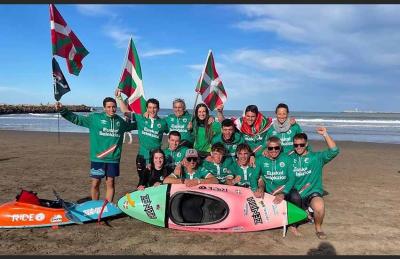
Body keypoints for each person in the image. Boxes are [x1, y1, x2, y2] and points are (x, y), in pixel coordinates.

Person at [55, 97, 136, 202]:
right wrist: (63, 110)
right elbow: (77, 119)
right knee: (95, 183)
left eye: (114, 107)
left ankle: (107, 206)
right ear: (104, 108)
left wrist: (145, 119)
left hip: (113, 159)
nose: (112, 109)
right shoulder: (95, 118)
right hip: (98, 158)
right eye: (109, 107)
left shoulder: (120, 121)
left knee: (110, 183)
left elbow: (133, 126)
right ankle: (95, 205)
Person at [288, 127, 340, 240]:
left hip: (311, 193)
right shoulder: (289, 159)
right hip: (295, 196)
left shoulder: (316, 158)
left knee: (320, 207)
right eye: (296, 145)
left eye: (301, 145)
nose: (298, 147)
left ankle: (318, 228)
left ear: (306, 144)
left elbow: (334, 150)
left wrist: (325, 134)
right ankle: (300, 218)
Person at [115, 89, 168, 186]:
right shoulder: (140, 119)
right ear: (147, 108)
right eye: (150, 108)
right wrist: (119, 97)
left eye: (155, 108)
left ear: (158, 109)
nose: (152, 110)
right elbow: (125, 111)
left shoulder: (163, 123)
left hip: (156, 158)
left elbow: (173, 134)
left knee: (154, 182)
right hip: (142, 157)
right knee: (142, 182)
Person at [253, 136, 300, 236]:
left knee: (296, 197)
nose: (273, 150)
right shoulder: (261, 159)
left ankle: (293, 225)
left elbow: (292, 178)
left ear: (280, 147)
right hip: (269, 190)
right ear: (267, 148)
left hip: (284, 190)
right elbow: (253, 177)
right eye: (270, 148)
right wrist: (255, 189)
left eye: (276, 148)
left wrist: (284, 193)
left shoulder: (287, 158)